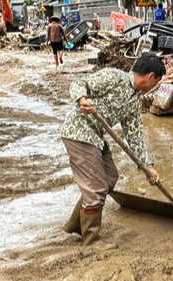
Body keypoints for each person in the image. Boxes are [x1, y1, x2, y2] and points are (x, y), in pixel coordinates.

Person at [60, 54, 165, 244]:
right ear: (150, 77)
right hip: (79, 132)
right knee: (96, 189)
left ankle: (76, 225)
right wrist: (82, 99)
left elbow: (134, 135)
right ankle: (91, 240)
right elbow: (78, 83)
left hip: (96, 137)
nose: (155, 86)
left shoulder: (135, 100)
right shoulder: (114, 77)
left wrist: (147, 166)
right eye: (157, 82)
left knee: (109, 177)